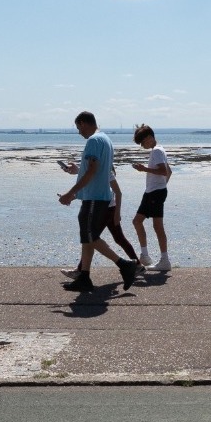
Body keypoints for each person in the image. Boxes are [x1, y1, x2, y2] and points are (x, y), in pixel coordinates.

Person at [56, 112, 139, 293]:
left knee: (91, 237)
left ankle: (125, 265)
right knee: (87, 238)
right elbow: (98, 171)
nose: (79, 132)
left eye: (79, 128)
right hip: (98, 197)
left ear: (84, 123)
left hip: (95, 198)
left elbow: (93, 171)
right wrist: (77, 172)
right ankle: (84, 277)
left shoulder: (93, 141)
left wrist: (71, 193)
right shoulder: (106, 140)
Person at [58, 162, 140, 275]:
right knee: (118, 238)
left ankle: (80, 271)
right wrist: (71, 196)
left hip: (106, 210)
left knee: (90, 238)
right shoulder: (95, 171)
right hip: (108, 208)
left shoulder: (106, 172)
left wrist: (117, 213)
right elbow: (89, 183)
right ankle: (138, 265)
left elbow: (117, 193)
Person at [130, 123, 172, 272]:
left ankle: (164, 260)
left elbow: (163, 171)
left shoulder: (157, 152)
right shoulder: (158, 151)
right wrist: (162, 187)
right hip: (152, 192)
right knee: (137, 221)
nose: (142, 146)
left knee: (157, 226)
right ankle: (145, 256)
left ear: (149, 138)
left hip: (155, 193)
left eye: (142, 142)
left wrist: (144, 169)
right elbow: (169, 172)